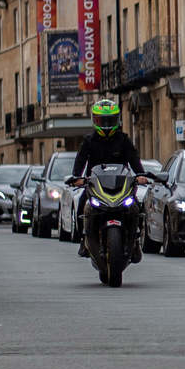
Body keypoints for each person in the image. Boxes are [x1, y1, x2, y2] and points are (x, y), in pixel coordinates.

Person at [69, 95, 145, 254]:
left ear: (117, 120)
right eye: (101, 121)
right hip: (95, 186)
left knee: (136, 207)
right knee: (82, 206)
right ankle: (83, 240)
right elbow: (80, 159)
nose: (105, 125)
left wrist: (140, 174)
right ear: (93, 121)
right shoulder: (89, 141)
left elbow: (133, 158)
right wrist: (76, 177)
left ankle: (135, 241)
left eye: (109, 120)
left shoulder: (124, 140)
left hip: (121, 186)